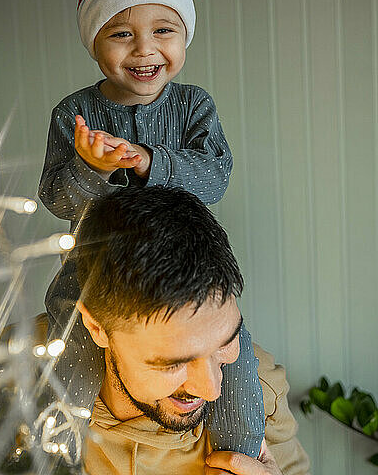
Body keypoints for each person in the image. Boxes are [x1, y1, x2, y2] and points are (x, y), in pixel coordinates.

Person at [40, 0, 264, 458]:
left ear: (184, 36)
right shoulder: (73, 114)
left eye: (164, 30)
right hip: (96, 266)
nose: (145, 50)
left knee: (232, 351)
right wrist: (89, 170)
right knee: (67, 344)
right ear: (93, 40)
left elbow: (215, 176)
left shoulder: (193, 107)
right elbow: (55, 199)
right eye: (121, 34)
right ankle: (53, 452)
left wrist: (150, 163)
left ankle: (241, 452)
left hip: (184, 264)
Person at [69, 186, 309, 474]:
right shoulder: (18, 377)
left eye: (226, 342)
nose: (211, 389)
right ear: (97, 326)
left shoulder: (262, 388)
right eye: (174, 363)